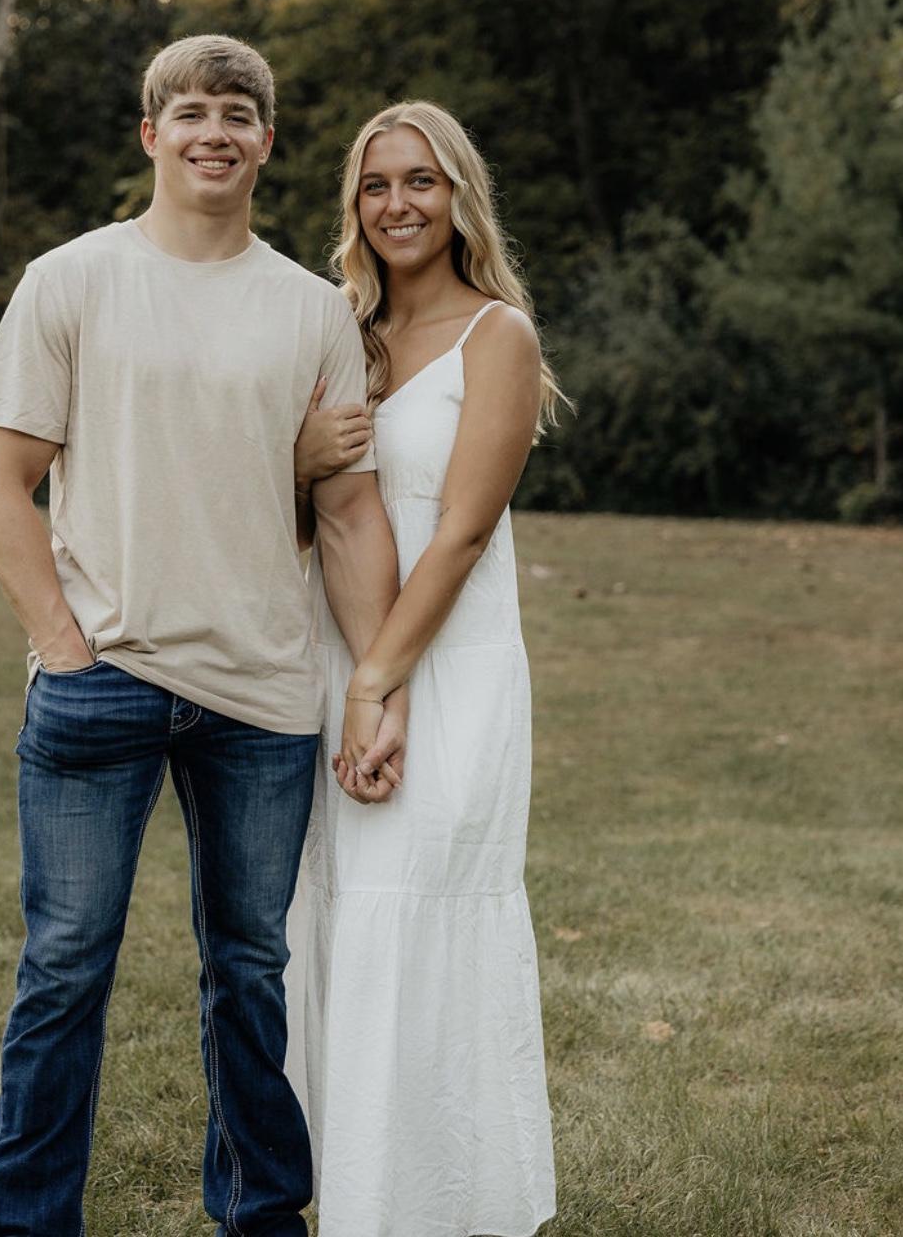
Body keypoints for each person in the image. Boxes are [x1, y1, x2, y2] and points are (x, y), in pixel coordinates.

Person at [0, 35, 407, 1237]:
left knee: (251, 971)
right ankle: (24, 1224)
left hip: (262, 695)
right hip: (100, 681)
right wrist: (64, 646)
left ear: (267, 142)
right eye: (193, 112)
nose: (216, 132)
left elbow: (348, 513)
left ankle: (261, 1217)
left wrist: (376, 683)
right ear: (152, 135)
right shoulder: (72, 280)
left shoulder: (314, 311)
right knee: (65, 971)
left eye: (237, 115)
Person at [286, 100, 568, 1237]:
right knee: (342, 918)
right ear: (353, 204)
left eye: (421, 181)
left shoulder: (498, 337)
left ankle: (456, 1207)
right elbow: (302, 517)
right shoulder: (335, 330)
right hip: (336, 657)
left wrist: (381, 683)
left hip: (449, 672)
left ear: (459, 197)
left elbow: (459, 531)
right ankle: (353, 1198)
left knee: (422, 907)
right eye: (376, 184)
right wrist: (297, 462)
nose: (397, 204)